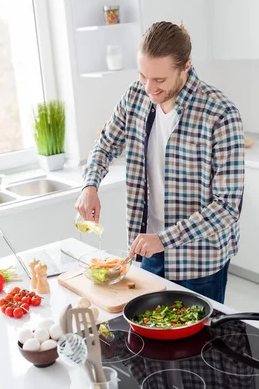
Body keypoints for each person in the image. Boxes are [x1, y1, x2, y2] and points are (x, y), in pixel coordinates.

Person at [75, 21, 244, 304]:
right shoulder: (135, 96)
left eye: (160, 81)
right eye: (143, 76)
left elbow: (227, 207)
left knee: (200, 344)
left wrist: (165, 238)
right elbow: (105, 143)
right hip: (148, 250)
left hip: (199, 260)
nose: (149, 88)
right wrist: (90, 185)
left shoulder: (220, 114)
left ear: (185, 67)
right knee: (151, 340)